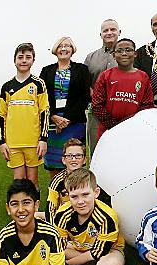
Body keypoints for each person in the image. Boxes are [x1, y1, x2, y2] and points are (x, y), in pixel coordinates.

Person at [53, 168, 125, 265]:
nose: (80, 201)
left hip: (108, 252)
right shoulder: (62, 214)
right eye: (74, 196)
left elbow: (97, 254)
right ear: (68, 196)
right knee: (49, 251)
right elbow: (59, 246)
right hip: (78, 249)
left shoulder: (107, 217)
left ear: (96, 192)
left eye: (85, 195)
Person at [0, 43, 49, 191]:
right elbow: (1, 115)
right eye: (20, 57)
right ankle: (21, 213)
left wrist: (43, 139)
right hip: (13, 143)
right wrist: (2, 142)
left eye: (28, 57)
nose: (24, 60)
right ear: (14, 61)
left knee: (33, 180)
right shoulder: (6, 87)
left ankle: (34, 211)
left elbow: (44, 111)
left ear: (33, 60)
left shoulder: (39, 84)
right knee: (19, 181)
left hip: (33, 142)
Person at [39, 36, 91, 179]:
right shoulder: (46, 71)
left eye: (67, 46)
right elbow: (43, 97)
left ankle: (74, 197)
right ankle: (56, 199)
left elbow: (84, 97)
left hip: (75, 123)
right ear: (55, 50)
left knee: (74, 164)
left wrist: (67, 119)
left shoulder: (82, 69)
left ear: (72, 49)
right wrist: (54, 117)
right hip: (52, 123)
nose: (64, 49)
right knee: (54, 165)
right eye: (60, 46)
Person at [92, 38, 154, 138]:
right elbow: (97, 105)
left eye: (128, 50)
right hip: (108, 131)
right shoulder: (106, 75)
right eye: (119, 51)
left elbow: (147, 106)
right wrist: (114, 125)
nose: (124, 53)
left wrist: (131, 125)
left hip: (133, 131)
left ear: (135, 54)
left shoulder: (143, 77)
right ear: (113, 55)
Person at [84, 19, 121, 155]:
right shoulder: (91, 57)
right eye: (105, 30)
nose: (109, 33)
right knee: (96, 150)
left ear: (119, 32)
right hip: (96, 112)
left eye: (113, 29)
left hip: (121, 112)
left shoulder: (129, 55)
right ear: (100, 34)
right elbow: (84, 82)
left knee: (120, 150)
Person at [44, 138, 87, 224]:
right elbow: (50, 208)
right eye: (69, 156)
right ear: (63, 160)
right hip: (64, 219)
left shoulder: (90, 179)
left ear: (85, 160)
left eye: (78, 155)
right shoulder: (57, 181)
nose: (74, 159)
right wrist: (55, 231)